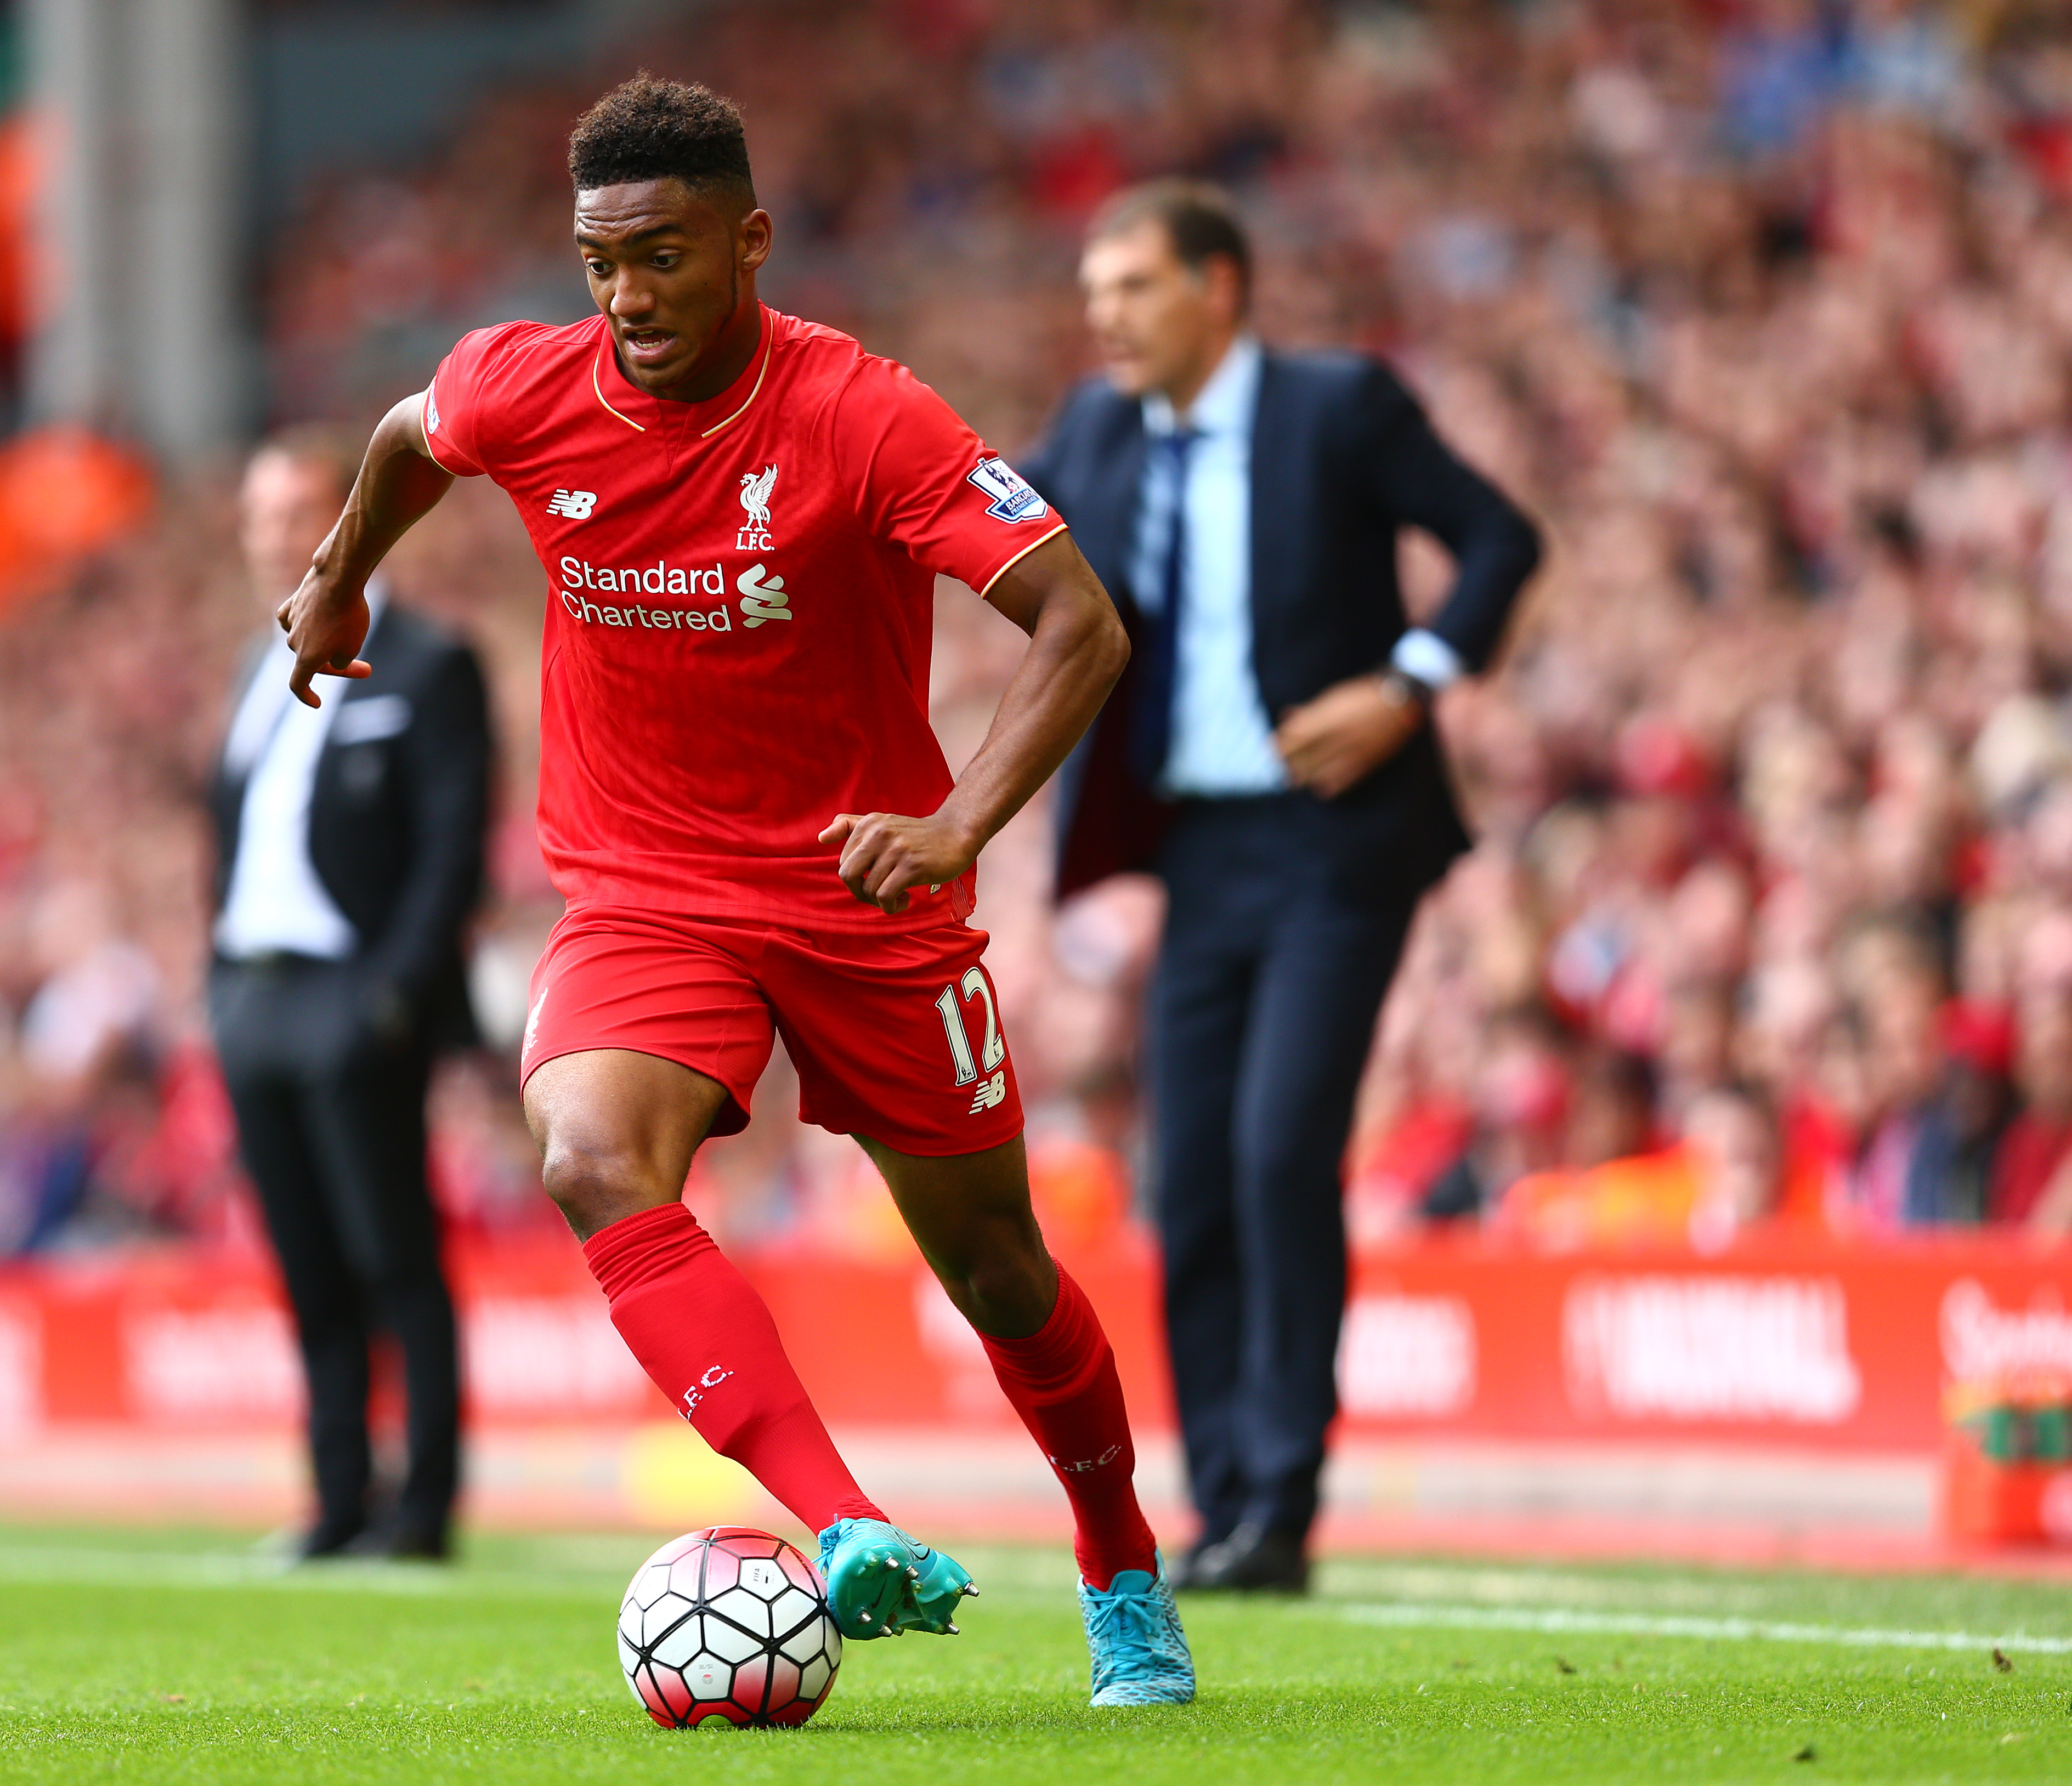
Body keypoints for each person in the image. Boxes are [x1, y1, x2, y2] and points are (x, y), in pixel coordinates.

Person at [276, 77, 1193, 1705]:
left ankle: (1120, 1558)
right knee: (583, 1150)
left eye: (665, 259)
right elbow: (415, 434)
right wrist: (343, 576)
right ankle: (842, 1528)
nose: (627, 299)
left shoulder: (864, 415)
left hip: (865, 888)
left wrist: (963, 822)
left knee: (996, 1270)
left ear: (749, 241)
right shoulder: (524, 385)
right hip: (643, 885)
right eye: (599, 262)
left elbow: (1080, 622)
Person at [1027, 180, 1542, 1594]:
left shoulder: (1338, 407)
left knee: (1275, 1152)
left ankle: (1287, 1501)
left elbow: (1501, 539)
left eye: (1132, 287)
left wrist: (1407, 685)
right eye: (1094, 293)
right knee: (1188, 1182)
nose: (1105, 318)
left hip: (1334, 841)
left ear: (1220, 288)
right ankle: (1223, 1504)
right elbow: (963, 514)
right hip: (1195, 856)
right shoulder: (1092, 429)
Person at [209, 428, 492, 1560]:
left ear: (354, 517)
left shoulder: (427, 661)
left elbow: (451, 849)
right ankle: (338, 1498)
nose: (282, 535)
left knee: (394, 1255)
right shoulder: (250, 668)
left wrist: (391, 998)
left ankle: (421, 1508)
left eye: (301, 512)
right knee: (308, 1263)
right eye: (263, 515)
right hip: (254, 1000)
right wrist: (216, 986)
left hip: (353, 997)